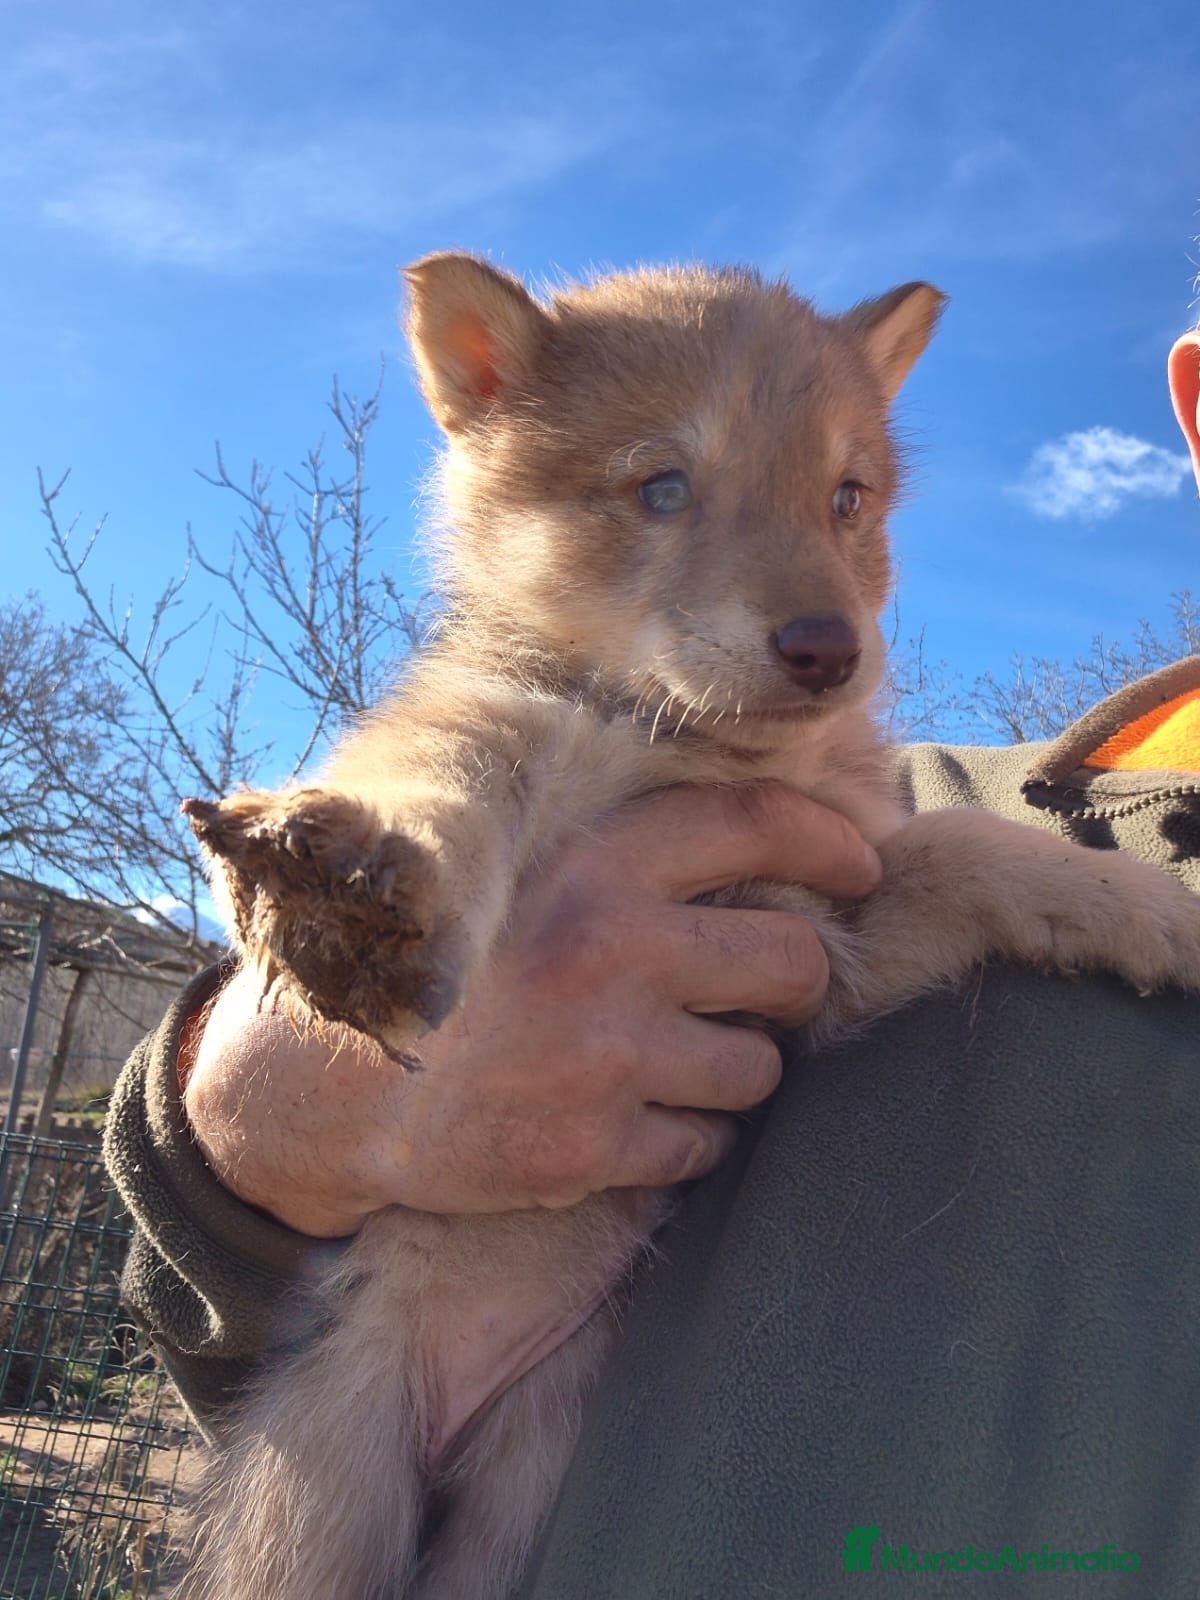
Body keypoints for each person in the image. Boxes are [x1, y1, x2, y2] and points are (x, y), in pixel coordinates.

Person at [105, 327, 1200, 1594]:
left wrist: (1034, 888)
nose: (812, 585)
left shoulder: (933, 814)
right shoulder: (968, 787)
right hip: (385, 1339)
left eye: (847, 500)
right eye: (664, 487)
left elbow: (836, 949)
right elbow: (456, 773)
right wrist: (264, 1105)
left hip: (581, 1406)